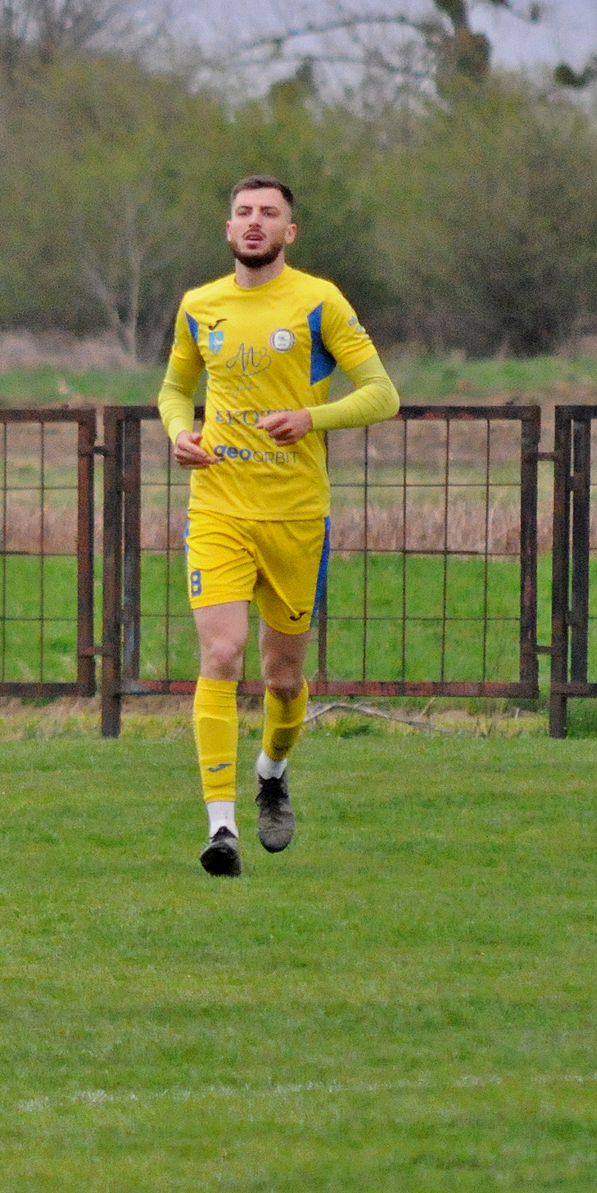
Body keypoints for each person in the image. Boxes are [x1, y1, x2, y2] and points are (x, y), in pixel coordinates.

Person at [158, 175, 399, 878]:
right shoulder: (200, 305)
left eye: (269, 213)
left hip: (295, 516)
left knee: (284, 678)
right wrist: (179, 432)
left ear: (289, 232)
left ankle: (271, 772)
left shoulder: (318, 301)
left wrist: (310, 418)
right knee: (221, 654)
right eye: (243, 213)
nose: (255, 222)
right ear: (228, 229)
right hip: (218, 507)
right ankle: (221, 827)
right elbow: (175, 389)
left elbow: (382, 394)